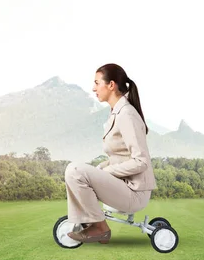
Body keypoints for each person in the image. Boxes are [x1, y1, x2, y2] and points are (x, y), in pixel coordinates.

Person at [64, 63, 157, 244]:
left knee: (74, 170)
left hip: (134, 192)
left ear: (111, 85)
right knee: (78, 170)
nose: (93, 88)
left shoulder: (126, 115)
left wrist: (106, 172)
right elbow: (120, 156)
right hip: (124, 186)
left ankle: (100, 227)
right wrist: (101, 168)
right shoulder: (116, 112)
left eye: (97, 83)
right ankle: (88, 221)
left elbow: (141, 161)